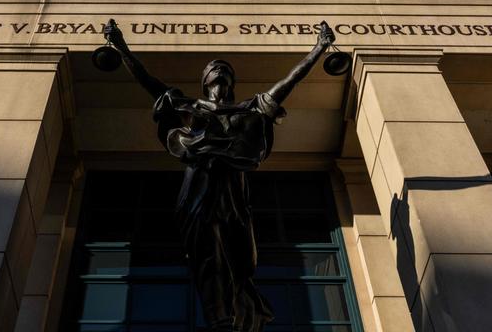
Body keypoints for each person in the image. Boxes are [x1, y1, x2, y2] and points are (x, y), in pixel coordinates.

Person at [103, 20, 337, 332]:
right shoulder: (187, 106)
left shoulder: (249, 109)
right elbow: (149, 82)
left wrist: (319, 49)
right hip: (199, 192)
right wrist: (121, 47)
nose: (219, 68)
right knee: (208, 256)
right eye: (214, 67)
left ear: (231, 79)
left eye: (225, 67)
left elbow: (286, 85)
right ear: (205, 80)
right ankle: (220, 320)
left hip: (234, 195)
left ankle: (237, 311)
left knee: (240, 264)